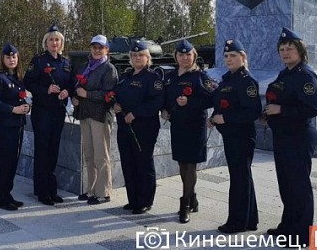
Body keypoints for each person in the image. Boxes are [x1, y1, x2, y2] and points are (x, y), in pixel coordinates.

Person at [264, 27, 317, 247]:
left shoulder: (304, 75)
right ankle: (288, 226)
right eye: (282, 49)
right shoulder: (285, 73)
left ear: (300, 51)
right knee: (286, 185)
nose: (286, 52)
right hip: (284, 136)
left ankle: (302, 235)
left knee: (299, 186)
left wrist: (281, 111)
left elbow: (314, 108)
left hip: (299, 137)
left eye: (290, 48)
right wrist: (268, 113)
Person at [208, 39, 262, 234]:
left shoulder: (247, 81)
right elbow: (222, 102)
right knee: (242, 176)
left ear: (243, 57)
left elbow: (253, 111)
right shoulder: (228, 79)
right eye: (226, 56)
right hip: (231, 134)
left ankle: (237, 222)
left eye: (233, 56)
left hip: (242, 136)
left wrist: (225, 118)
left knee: (240, 178)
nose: (229, 59)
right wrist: (215, 118)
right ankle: (250, 219)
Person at [162, 39, 215, 223]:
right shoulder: (170, 77)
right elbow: (166, 97)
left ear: (194, 56)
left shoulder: (200, 77)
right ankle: (192, 198)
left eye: (188, 54)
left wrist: (191, 102)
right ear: (176, 56)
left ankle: (185, 204)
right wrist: (165, 109)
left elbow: (212, 98)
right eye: (181, 55)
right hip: (177, 125)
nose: (185, 58)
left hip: (194, 126)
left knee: (190, 164)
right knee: (182, 163)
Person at [23, 24, 74, 206]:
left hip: (58, 111)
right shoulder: (38, 61)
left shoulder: (66, 63)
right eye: (51, 39)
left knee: (53, 150)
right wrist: (46, 89)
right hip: (42, 112)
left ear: (61, 43)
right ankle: (42, 190)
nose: (54, 42)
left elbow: (72, 83)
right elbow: (27, 82)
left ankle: (52, 189)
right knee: (43, 150)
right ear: (46, 42)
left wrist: (67, 91)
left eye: (57, 39)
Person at [112, 40, 164, 214]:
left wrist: (135, 113)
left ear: (147, 57)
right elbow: (116, 95)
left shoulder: (152, 78)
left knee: (143, 162)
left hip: (144, 127)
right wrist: (115, 105)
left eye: (140, 55)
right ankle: (133, 199)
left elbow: (156, 102)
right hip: (124, 126)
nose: (137, 58)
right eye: (134, 55)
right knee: (128, 162)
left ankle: (145, 200)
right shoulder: (125, 76)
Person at [72, 34, 118, 205]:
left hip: (99, 115)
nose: (97, 50)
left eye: (101, 47)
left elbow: (110, 94)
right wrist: (74, 97)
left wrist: (88, 94)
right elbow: (76, 87)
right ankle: (91, 189)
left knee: (101, 155)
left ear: (107, 49)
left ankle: (103, 191)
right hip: (85, 114)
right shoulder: (85, 66)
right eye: (94, 47)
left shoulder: (109, 68)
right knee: (89, 155)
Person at [0, 43, 30, 211]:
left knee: (13, 161)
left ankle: (8, 194)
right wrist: (14, 109)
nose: (12, 59)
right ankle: (1, 198)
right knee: (5, 162)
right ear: (3, 59)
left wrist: (27, 106)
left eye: (14, 57)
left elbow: (21, 99)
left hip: (18, 125)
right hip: (5, 126)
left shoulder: (19, 78)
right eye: (8, 57)